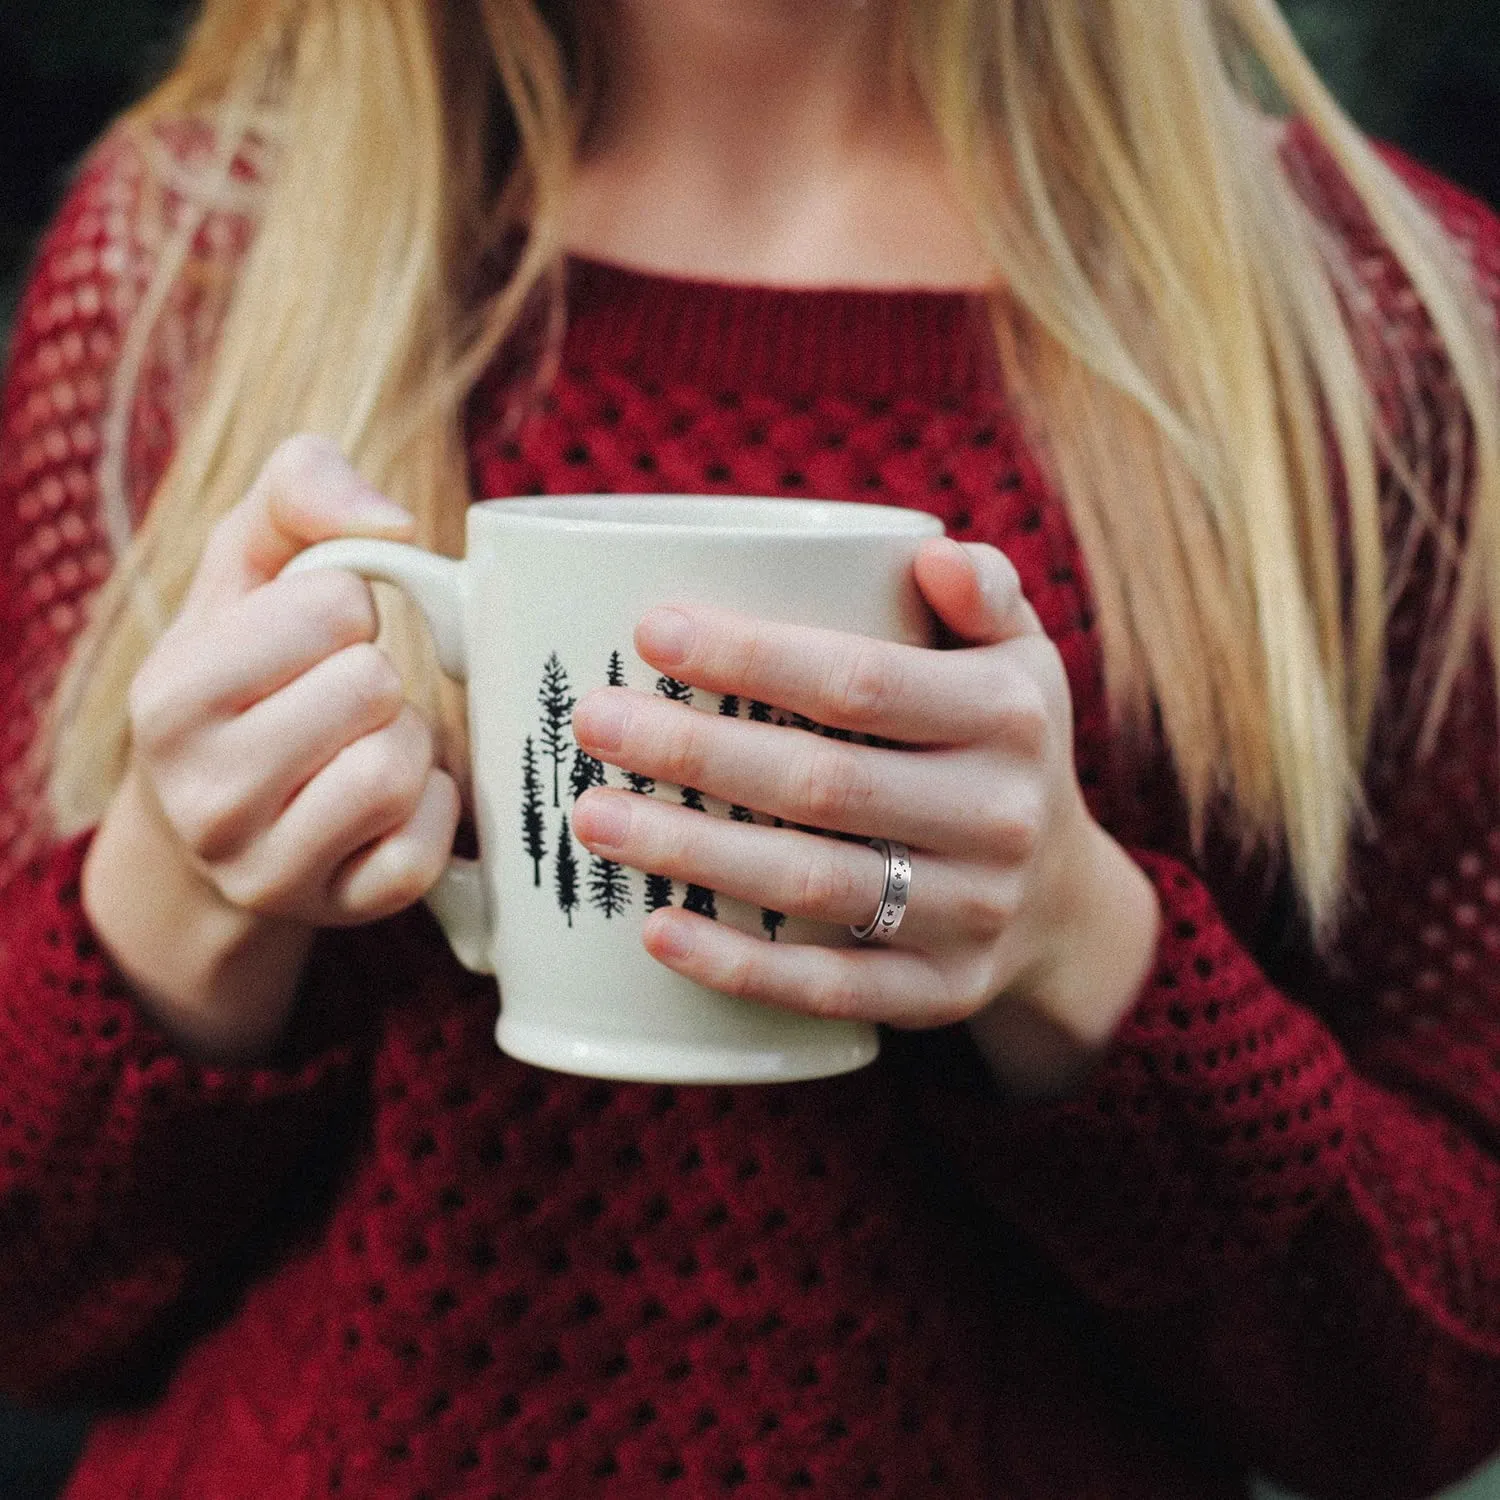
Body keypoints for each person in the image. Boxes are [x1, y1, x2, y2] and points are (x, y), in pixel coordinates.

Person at [1, 0, 1499, 1495]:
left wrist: (1076, 951)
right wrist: (173, 903)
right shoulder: (196, 259)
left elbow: (1439, 1381)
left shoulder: (1373, 319)